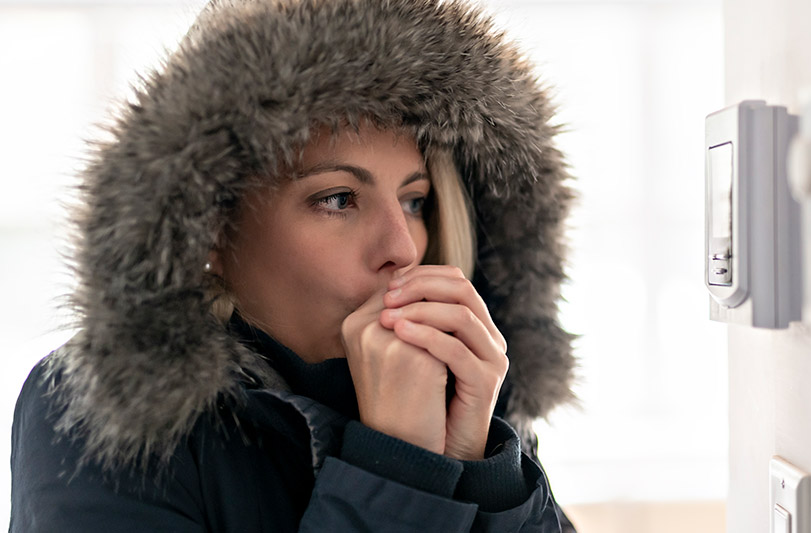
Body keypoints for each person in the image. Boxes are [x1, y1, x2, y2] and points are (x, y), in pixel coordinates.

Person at [10, 0, 576, 531]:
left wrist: (479, 467)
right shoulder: (103, 415)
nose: (402, 248)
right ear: (210, 227)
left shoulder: (467, 398)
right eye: (337, 199)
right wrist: (399, 466)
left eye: (414, 201)